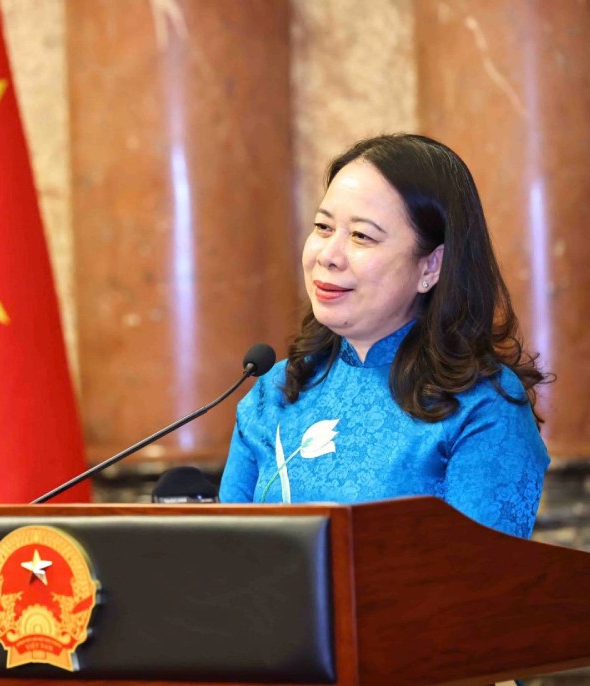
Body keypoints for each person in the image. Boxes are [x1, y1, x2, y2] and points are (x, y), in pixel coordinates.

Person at [219, 133, 549, 539]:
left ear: (431, 267)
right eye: (323, 227)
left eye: (361, 236)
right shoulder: (275, 393)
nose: (328, 255)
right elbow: (227, 564)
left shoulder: (481, 403)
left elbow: (481, 584)